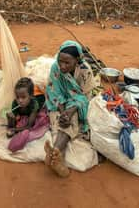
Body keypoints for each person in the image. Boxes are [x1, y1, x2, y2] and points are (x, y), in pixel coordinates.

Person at [44, 41, 99, 177]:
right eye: (60, 61)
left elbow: (85, 97)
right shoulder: (55, 68)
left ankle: (54, 152)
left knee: (71, 119)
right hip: (59, 103)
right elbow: (54, 92)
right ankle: (58, 157)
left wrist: (71, 111)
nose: (62, 66)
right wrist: (64, 113)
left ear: (77, 60)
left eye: (67, 63)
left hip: (78, 103)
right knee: (60, 120)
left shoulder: (85, 71)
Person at [6, 77, 50, 152]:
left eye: (23, 97)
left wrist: (14, 129)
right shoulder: (15, 103)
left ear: (31, 96)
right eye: (17, 97)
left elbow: (29, 126)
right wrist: (10, 119)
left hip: (40, 99)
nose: (20, 100)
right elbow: (12, 125)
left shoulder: (34, 104)